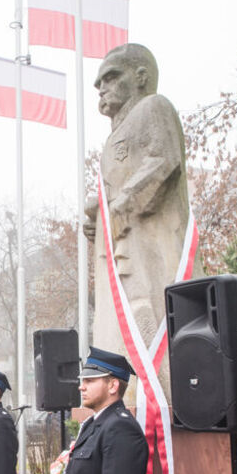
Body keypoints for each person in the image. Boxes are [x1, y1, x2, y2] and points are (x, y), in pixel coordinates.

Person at [86, 44, 199, 400]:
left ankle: (161, 395)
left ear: (141, 76)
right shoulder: (110, 140)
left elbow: (163, 161)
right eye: (99, 82)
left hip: (153, 244)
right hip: (122, 245)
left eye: (111, 76)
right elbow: (111, 192)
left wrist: (120, 206)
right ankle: (136, 391)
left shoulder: (154, 107)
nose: (101, 87)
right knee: (128, 320)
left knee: (150, 314)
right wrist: (97, 217)